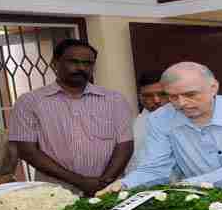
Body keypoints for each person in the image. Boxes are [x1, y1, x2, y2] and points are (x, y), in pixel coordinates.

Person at [96, 62, 222, 194]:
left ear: (214, 87)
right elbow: (155, 168)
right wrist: (125, 184)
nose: (182, 103)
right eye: (173, 97)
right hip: (199, 191)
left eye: (190, 94)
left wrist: (183, 186)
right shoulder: (160, 118)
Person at [8, 38, 134, 196]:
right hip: (55, 193)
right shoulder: (29, 102)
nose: (81, 67)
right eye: (73, 62)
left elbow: (125, 146)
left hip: (109, 190)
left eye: (88, 63)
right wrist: (81, 182)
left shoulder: (115, 100)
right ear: (55, 63)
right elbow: (27, 151)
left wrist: (104, 182)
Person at [127, 70, 169, 174]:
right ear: (140, 98)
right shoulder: (134, 125)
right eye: (149, 95)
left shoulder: (188, 118)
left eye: (162, 94)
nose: (157, 100)